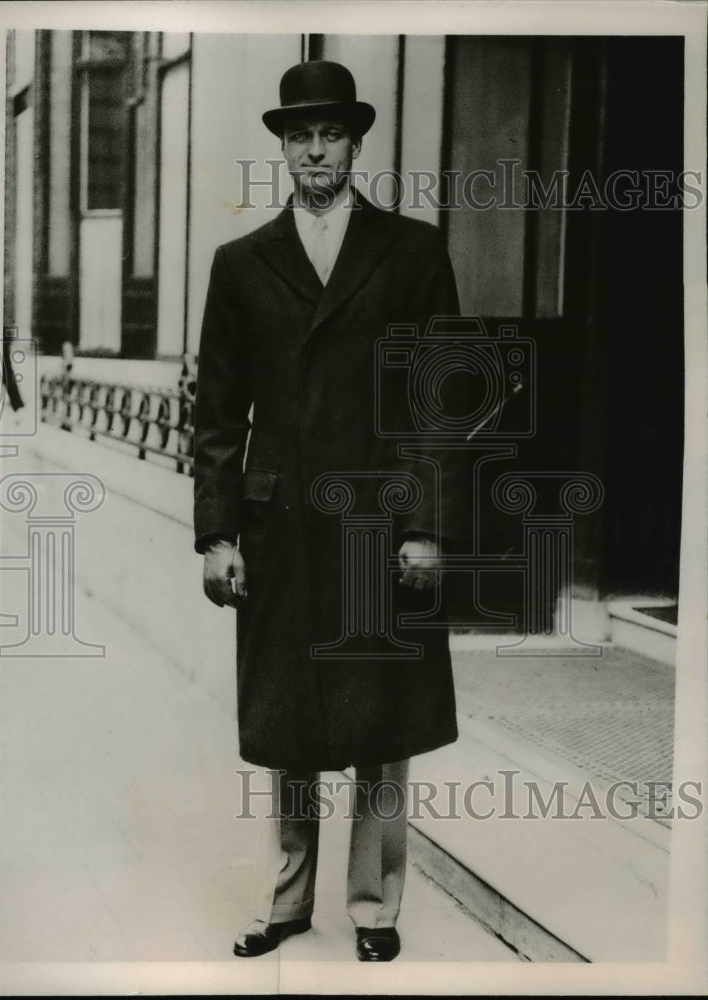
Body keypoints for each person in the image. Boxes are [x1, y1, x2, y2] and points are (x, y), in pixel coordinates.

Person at [193, 60, 463, 962]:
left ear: (357, 142)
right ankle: (287, 901)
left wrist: (424, 525)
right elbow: (219, 415)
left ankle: (374, 908)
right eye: (300, 134)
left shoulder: (413, 253)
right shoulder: (239, 264)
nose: (316, 148)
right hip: (278, 532)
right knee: (287, 720)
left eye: (332, 133)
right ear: (281, 145)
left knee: (382, 721)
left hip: (378, 523)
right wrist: (218, 533)